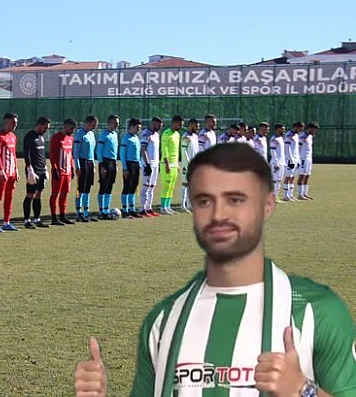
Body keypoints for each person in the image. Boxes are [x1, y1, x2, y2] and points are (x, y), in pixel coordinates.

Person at [74, 142, 356, 397]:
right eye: (205, 201)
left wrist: (303, 390)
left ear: (267, 205)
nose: (219, 214)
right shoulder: (162, 321)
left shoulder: (318, 313)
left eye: (235, 199)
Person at [0, 113, 20, 232]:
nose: (15, 125)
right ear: (6, 122)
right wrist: (1, 170)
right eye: (13, 122)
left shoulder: (13, 136)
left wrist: (16, 169)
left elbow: (14, 154)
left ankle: (6, 222)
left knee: (9, 197)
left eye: (16, 123)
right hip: (3, 172)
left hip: (12, 172)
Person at [22, 116, 51, 228]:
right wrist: (29, 169)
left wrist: (45, 168)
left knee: (38, 195)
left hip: (41, 169)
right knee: (30, 194)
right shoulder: (30, 136)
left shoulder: (41, 137)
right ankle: (26, 221)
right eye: (45, 127)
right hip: (33, 170)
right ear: (40, 124)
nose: (46, 130)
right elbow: (27, 153)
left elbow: (42, 155)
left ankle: (37, 219)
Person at [49, 118, 76, 226]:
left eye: (74, 128)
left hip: (68, 171)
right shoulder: (56, 138)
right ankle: (54, 218)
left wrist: (72, 168)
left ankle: (62, 216)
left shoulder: (70, 139)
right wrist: (54, 168)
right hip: (59, 171)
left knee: (65, 194)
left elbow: (70, 155)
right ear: (65, 126)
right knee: (55, 194)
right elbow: (52, 154)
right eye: (71, 128)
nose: (72, 130)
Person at [72, 115, 98, 222]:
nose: (94, 127)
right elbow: (76, 152)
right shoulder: (79, 133)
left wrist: (93, 165)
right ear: (87, 123)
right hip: (82, 162)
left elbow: (92, 151)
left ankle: (86, 212)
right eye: (93, 125)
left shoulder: (91, 134)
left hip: (90, 163)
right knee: (80, 188)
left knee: (88, 188)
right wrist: (77, 166)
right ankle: (79, 212)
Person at [95, 115, 120, 219]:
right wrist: (101, 165)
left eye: (118, 123)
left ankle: (106, 209)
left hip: (113, 162)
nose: (117, 125)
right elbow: (99, 150)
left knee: (109, 186)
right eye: (116, 122)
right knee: (103, 186)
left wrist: (116, 164)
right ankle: (102, 211)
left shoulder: (115, 135)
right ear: (110, 123)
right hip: (105, 162)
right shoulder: (103, 135)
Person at [159, 115, 183, 215]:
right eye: (180, 124)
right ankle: (162, 207)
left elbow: (176, 150)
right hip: (166, 164)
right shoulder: (166, 134)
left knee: (172, 186)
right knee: (166, 186)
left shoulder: (177, 134)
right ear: (174, 123)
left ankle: (168, 206)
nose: (181, 126)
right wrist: (167, 164)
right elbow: (164, 150)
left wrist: (177, 163)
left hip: (174, 164)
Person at [139, 117, 163, 217]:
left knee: (152, 187)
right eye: (159, 125)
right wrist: (147, 164)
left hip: (155, 164)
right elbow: (143, 149)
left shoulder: (156, 135)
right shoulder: (146, 134)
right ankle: (142, 209)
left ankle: (149, 208)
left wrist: (158, 163)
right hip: (147, 164)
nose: (160, 128)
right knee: (146, 187)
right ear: (153, 123)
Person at [119, 118, 142, 219]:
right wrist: (124, 168)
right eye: (137, 127)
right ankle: (125, 210)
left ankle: (132, 209)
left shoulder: (136, 137)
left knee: (134, 187)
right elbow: (122, 154)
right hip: (128, 165)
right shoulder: (126, 138)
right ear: (132, 126)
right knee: (127, 187)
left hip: (136, 164)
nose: (138, 130)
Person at [179, 118, 200, 212]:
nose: (197, 128)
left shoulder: (195, 136)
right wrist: (187, 163)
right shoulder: (185, 136)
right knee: (185, 183)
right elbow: (184, 152)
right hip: (186, 164)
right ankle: (183, 205)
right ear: (191, 125)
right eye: (196, 126)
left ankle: (190, 204)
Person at [297, 122, 319, 200]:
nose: (314, 132)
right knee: (302, 175)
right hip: (303, 158)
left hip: (309, 158)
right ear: (309, 128)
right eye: (313, 130)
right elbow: (298, 148)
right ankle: (300, 194)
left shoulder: (310, 136)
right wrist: (298, 159)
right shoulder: (302, 136)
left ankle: (305, 193)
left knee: (307, 176)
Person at [282, 122, 304, 202]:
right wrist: (291, 159)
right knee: (288, 176)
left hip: (295, 159)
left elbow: (296, 149)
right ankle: (285, 195)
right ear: (296, 127)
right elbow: (287, 148)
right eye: (300, 128)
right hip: (290, 159)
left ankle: (290, 195)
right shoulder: (289, 135)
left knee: (292, 177)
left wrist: (297, 159)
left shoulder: (296, 135)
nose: (301, 130)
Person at [270, 123, 286, 203]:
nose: (284, 130)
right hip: (276, 162)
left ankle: (276, 197)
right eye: (282, 128)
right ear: (277, 129)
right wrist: (276, 162)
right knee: (274, 180)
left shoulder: (281, 138)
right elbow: (273, 151)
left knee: (279, 180)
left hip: (282, 162)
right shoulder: (274, 138)